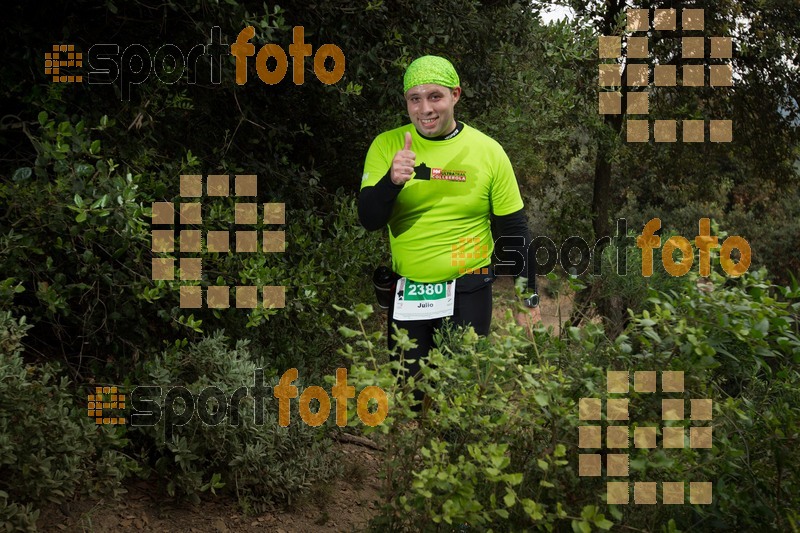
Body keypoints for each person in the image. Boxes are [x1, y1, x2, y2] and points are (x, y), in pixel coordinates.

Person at [358, 55, 541, 409]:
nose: (425, 108)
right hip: (409, 290)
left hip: (468, 286)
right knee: (409, 395)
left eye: (435, 96)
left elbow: (514, 230)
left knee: (458, 394)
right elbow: (369, 219)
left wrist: (528, 297)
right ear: (406, 102)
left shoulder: (489, 152)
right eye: (415, 98)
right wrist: (391, 181)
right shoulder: (387, 146)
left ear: (455, 95)